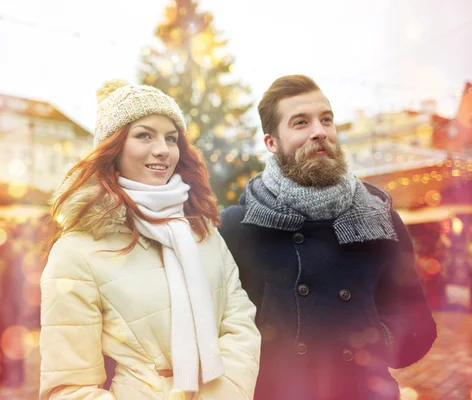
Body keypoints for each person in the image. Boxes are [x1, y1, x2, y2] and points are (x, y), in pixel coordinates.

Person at [218, 75, 437, 400]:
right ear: (271, 143)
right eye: (301, 122)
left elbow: (419, 322)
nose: (319, 131)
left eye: (326, 119)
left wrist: (378, 338)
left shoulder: (379, 218)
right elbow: (216, 331)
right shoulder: (237, 227)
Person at [40, 80, 261, 399]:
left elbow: (239, 325)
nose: (163, 149)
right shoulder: (77, 250)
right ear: (113, 148)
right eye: (144, 135)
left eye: (171, 138)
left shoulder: (202, 231)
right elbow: (67, 388)